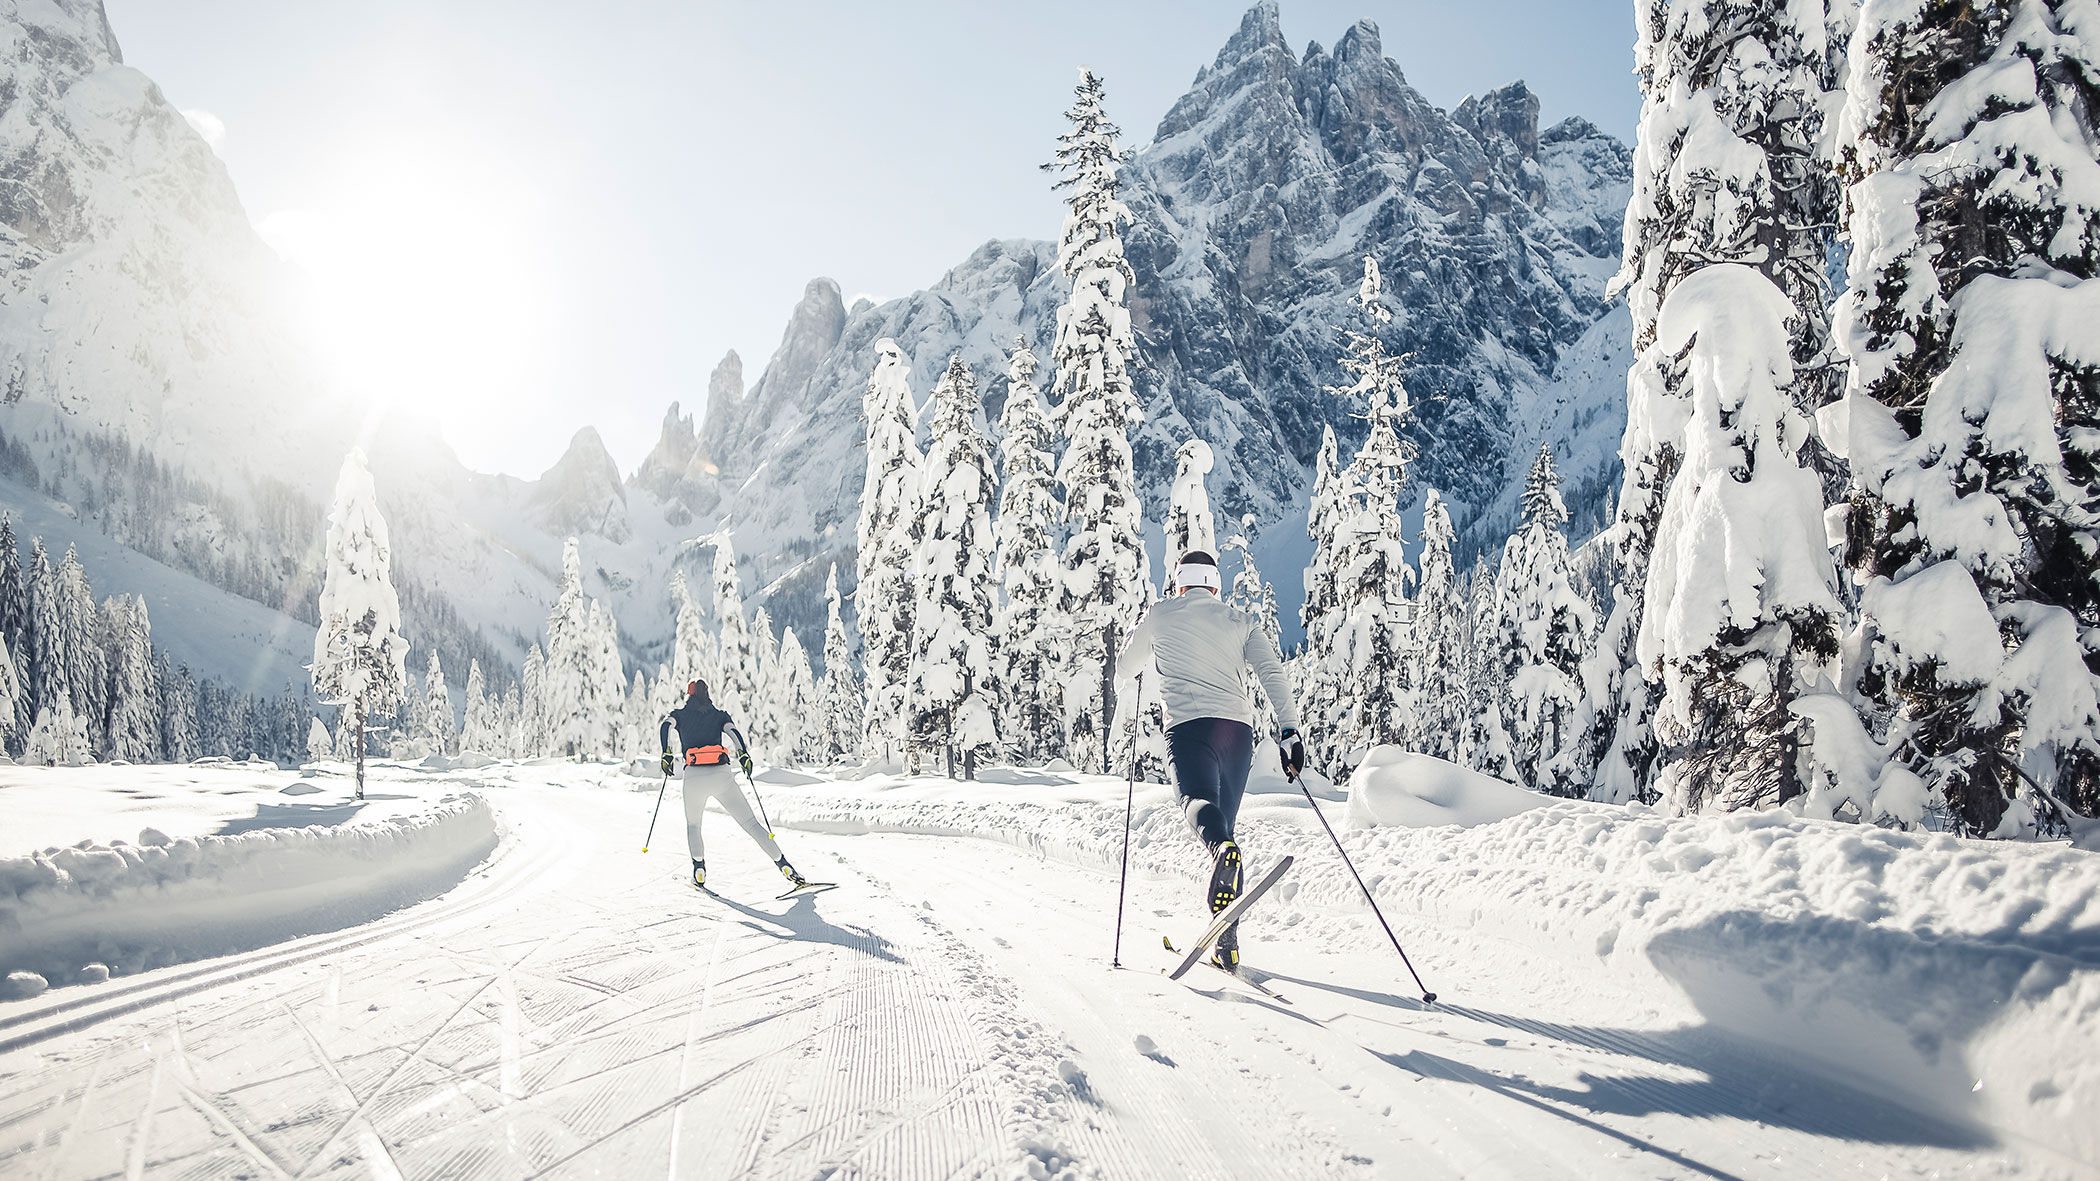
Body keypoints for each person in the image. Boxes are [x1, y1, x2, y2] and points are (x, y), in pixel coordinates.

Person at [1117, 550, 1306, 969]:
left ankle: (1221, 851)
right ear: (1215, 585)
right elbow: (1272, 672)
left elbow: (1126, 666)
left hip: (1188, 730)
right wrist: (1289, 730)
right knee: (1227, 828)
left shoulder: (1161, 614)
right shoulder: (1239, 621)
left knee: (1197, 806)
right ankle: (1228, 944)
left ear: (1179, 582)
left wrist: (1142, 635)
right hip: (1236, 735)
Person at [658, 679, 809, 891]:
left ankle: (699, 870)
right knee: (751, 824)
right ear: (708, 694)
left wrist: (665, 753)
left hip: (693, 777)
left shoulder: (679, 715)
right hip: (721, 775)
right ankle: (784, 865)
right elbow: (733, 733)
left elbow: (665, 726)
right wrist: (744, 755)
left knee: (694, 825)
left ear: (688, 695)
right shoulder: (720, 715)